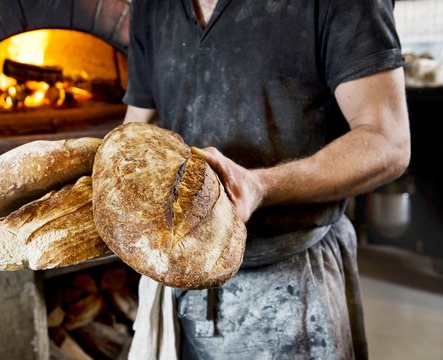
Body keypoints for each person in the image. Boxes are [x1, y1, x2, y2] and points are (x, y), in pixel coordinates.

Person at [121, 0, 410, 359]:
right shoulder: (151, 7)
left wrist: (261, 185)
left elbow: (388, 141)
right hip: (184, 273)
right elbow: (137, 126)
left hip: (292, 280)